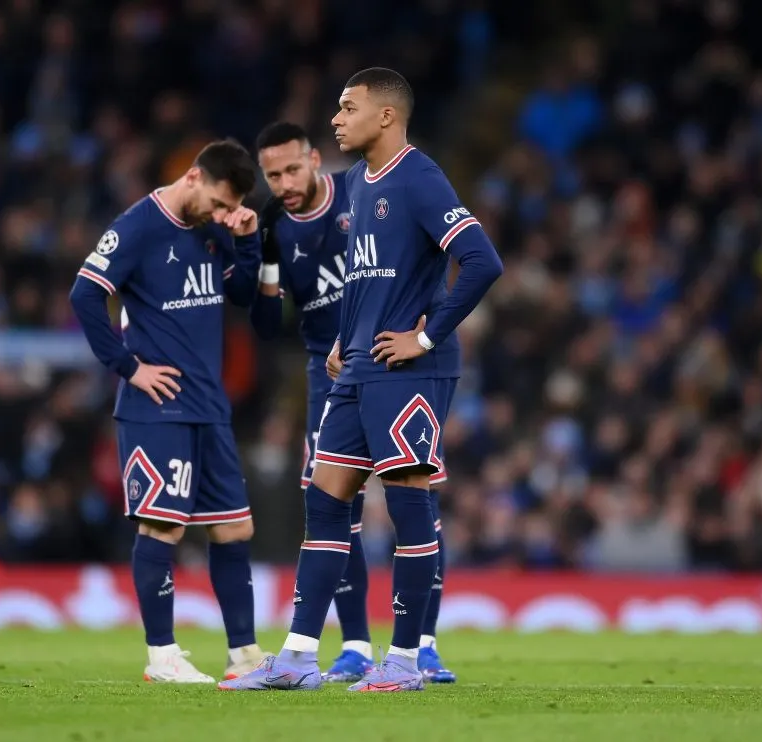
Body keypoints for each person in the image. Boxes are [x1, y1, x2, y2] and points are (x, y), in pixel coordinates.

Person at [221, 68, 503, 692]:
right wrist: (347, 339)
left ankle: (404, 659)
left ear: (386, 116)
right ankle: (297, 657)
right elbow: (363, 276)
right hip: (357, 367)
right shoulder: (356, 186)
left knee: (408, 510)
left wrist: (426, 337)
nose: (336, 118)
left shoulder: (419, 177)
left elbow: (482, 260)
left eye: (348, 107)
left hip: (409, 368)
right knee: (325, 503)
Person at [249, 121, 456, 684]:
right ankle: (356, 647)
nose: (285, 183)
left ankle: (422, 645)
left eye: (292, 168)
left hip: (388, 362)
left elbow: (429, 259)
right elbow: (268, 327)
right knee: (331, 502)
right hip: (328, 369)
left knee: (413, 493)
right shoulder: (275, 228)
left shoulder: (362, 189)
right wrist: (264, 257)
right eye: (272, 175)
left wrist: (426, 332)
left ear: (315, 160)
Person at [69, 139, 270, 684]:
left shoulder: (214, 230)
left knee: (234, 530)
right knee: (162, 528)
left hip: (209, 406)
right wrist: (128, 367)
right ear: (193, 179)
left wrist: (247, 242)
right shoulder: (137, 226)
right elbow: (84, 294)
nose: (224, 215)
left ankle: (244, 657)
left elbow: (244, 297)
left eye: (231, 209)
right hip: (157, 408)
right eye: (221, 204)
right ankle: (162, 657)